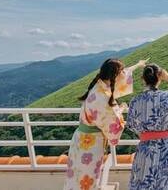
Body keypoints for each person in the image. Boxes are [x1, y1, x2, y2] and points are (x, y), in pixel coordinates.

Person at [63, 57, 148, 190]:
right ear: (114, 75)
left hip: (81, 140)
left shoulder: (99, 85)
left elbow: (106, 114)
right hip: (90, 144)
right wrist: (121, 110)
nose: (124, 74)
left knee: (76, 177)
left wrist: (138, 64)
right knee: (88, 178)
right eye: (121, 72)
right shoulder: (103, 97)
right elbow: (112, 121)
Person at [127, 64, 168, 190]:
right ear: (159, 77)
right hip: (165, 148)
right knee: (164, 181)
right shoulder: (167, 97)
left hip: (145, 147)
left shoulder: (135, 101)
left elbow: (132, 125)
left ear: (143, 79)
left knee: (143, 179)